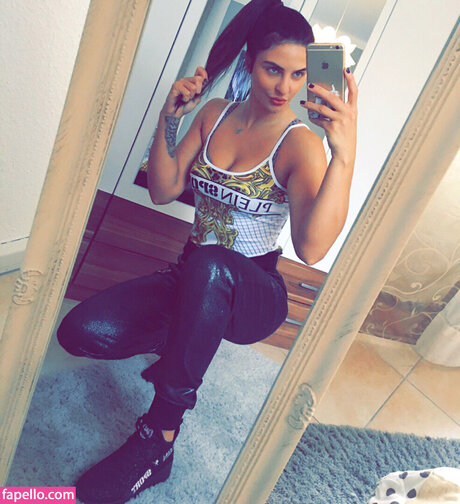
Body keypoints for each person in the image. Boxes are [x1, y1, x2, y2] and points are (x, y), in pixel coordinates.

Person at [56, 0, 358, 502]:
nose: (285, 88)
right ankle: (186, 335)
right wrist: (169, 118)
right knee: (80, 331)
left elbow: (311, 248)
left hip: (254, 293)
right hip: (190, 274)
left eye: (299, 74)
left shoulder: (300, 143)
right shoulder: (215, 115)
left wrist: (343, 154)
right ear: (249, 62)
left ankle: (158, 438)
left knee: (213, 264)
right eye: (273, 69)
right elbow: (163, 190)